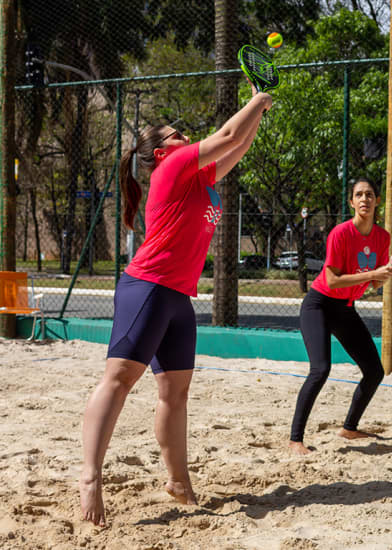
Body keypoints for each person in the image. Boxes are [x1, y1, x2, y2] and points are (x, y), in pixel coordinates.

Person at [80, 82, 272, 526]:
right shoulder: (170, 168)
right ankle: (91, 477)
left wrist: (258, 107)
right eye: (176, 134)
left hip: (177, 297)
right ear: (160, 151)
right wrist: (258, 100)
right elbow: (226, 136)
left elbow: (237, 144)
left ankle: (178, 481)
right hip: (147, 288)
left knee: (176, 393)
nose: (185, 137)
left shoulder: (197, 176)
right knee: (119, 381)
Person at [288, 178, 392, 455]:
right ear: (352, 202)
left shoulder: (382, 237)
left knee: (375, 371)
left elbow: (374, 283)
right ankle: (295, 440)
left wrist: (389, 271)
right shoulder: (340, 233)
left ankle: (349, 428)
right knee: (320, 370)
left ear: (378, 201)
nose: (364, 199)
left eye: (369, 195)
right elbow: (331, 280)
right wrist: (373, 275)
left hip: (345, 308)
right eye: (359, 195)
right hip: (318, 304)